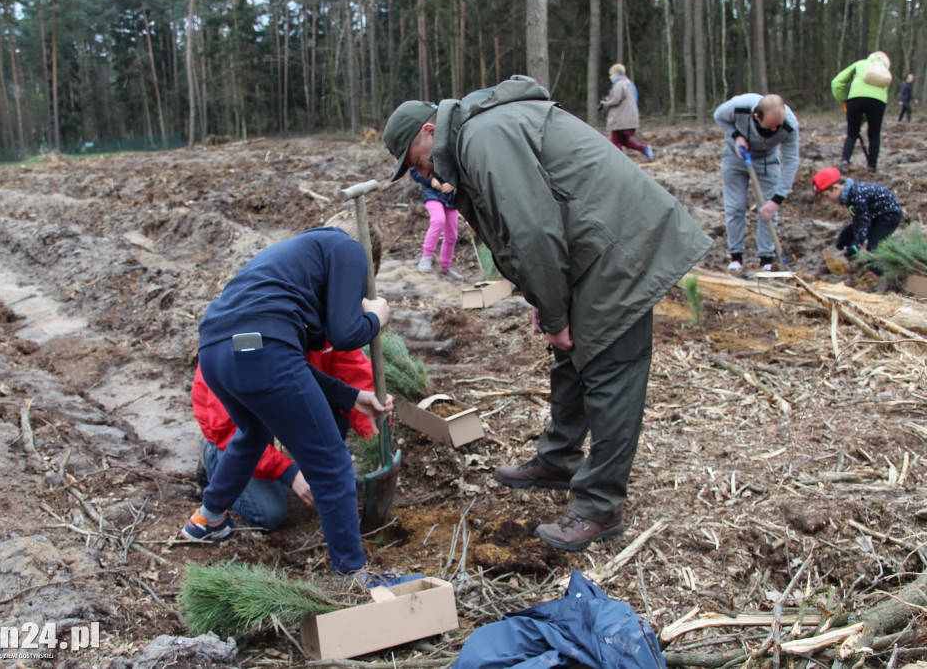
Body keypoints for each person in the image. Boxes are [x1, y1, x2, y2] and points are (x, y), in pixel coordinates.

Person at [383, 76, 711, 552]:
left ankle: (600, 507)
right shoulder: (476, 137)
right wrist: (545, 301)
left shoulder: (483, 138)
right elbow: (523, 232)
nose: (428, 174)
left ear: (431, 130)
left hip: (619, 242)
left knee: (609, 368)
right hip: (590, 243)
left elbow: (534, 231)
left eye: (420, 161)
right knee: (570, 360)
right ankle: (558, 459)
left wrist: (556, 315)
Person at [179, 217, 397, 580]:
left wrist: (349, 396)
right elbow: (344, 335)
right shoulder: (349, 248)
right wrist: (374, 318)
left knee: (253, 431)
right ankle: (352, 576)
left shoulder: (287, 264)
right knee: (332, 465)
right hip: (261, 350)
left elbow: (283, 360)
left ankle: (207, 518)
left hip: (216, 351)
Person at [191, 335, 375, 530]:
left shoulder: (325, 323)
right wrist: (290, 474)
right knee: (269, 515)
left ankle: (320, 470)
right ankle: (213, 459)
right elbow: (228, 428)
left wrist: (376, 443)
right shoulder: (242, 339)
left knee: (338, 398)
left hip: (293, 400)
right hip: (233, 429)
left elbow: (356, 379)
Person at [713, 93, 800, 272]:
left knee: (768, 211)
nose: (776, 130)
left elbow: (791, 161)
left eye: (778, 126)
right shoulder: (740, 106)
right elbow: (718, 116)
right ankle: (736, 257)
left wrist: (777, 199)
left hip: (767, 161)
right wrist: (736, 135)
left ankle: (766, 260)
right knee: (735, 207)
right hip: (736, 156)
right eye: (770, 126)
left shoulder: (790, 125)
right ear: (756, 117)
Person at [812, 166, 904, 273]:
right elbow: (859, 220)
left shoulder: (856, 196)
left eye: (827, 196)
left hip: (888, 216)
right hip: (873, 214)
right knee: (845, 236)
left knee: (873, 247)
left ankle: (880, 274)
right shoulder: (849, 194)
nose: (827, 199)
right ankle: (835, 262)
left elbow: (863, 222)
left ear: (836, 188)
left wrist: (857, 244)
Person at [831, 51, 892, 172]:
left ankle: (845, 160)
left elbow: (836, 83)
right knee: (874, 134)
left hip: (855, 100)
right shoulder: (885, 72)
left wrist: (843, 100)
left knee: (852, 133)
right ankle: (872, 165)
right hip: (878, 102)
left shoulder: (859, 64)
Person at [409, 167, 463, 281]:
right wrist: (430, 180)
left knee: (452, 234)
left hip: (450, 198)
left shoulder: (453, 151)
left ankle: (446, 267)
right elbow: (415, 169)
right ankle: (426, 258)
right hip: (432, 193)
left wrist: (453, 183)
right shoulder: (424, 151)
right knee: (438, 220)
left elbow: (462, 169)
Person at [600, 63, 654, 161]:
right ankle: (644, 149)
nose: (610, 77)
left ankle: (621, 162)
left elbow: (616, 100)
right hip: (629, 118)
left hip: (620, 119)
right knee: (624, 141)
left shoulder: (619, 84)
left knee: (615, 141)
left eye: (611, 74)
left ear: (616, 74)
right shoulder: (628, 83)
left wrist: (605, 104)